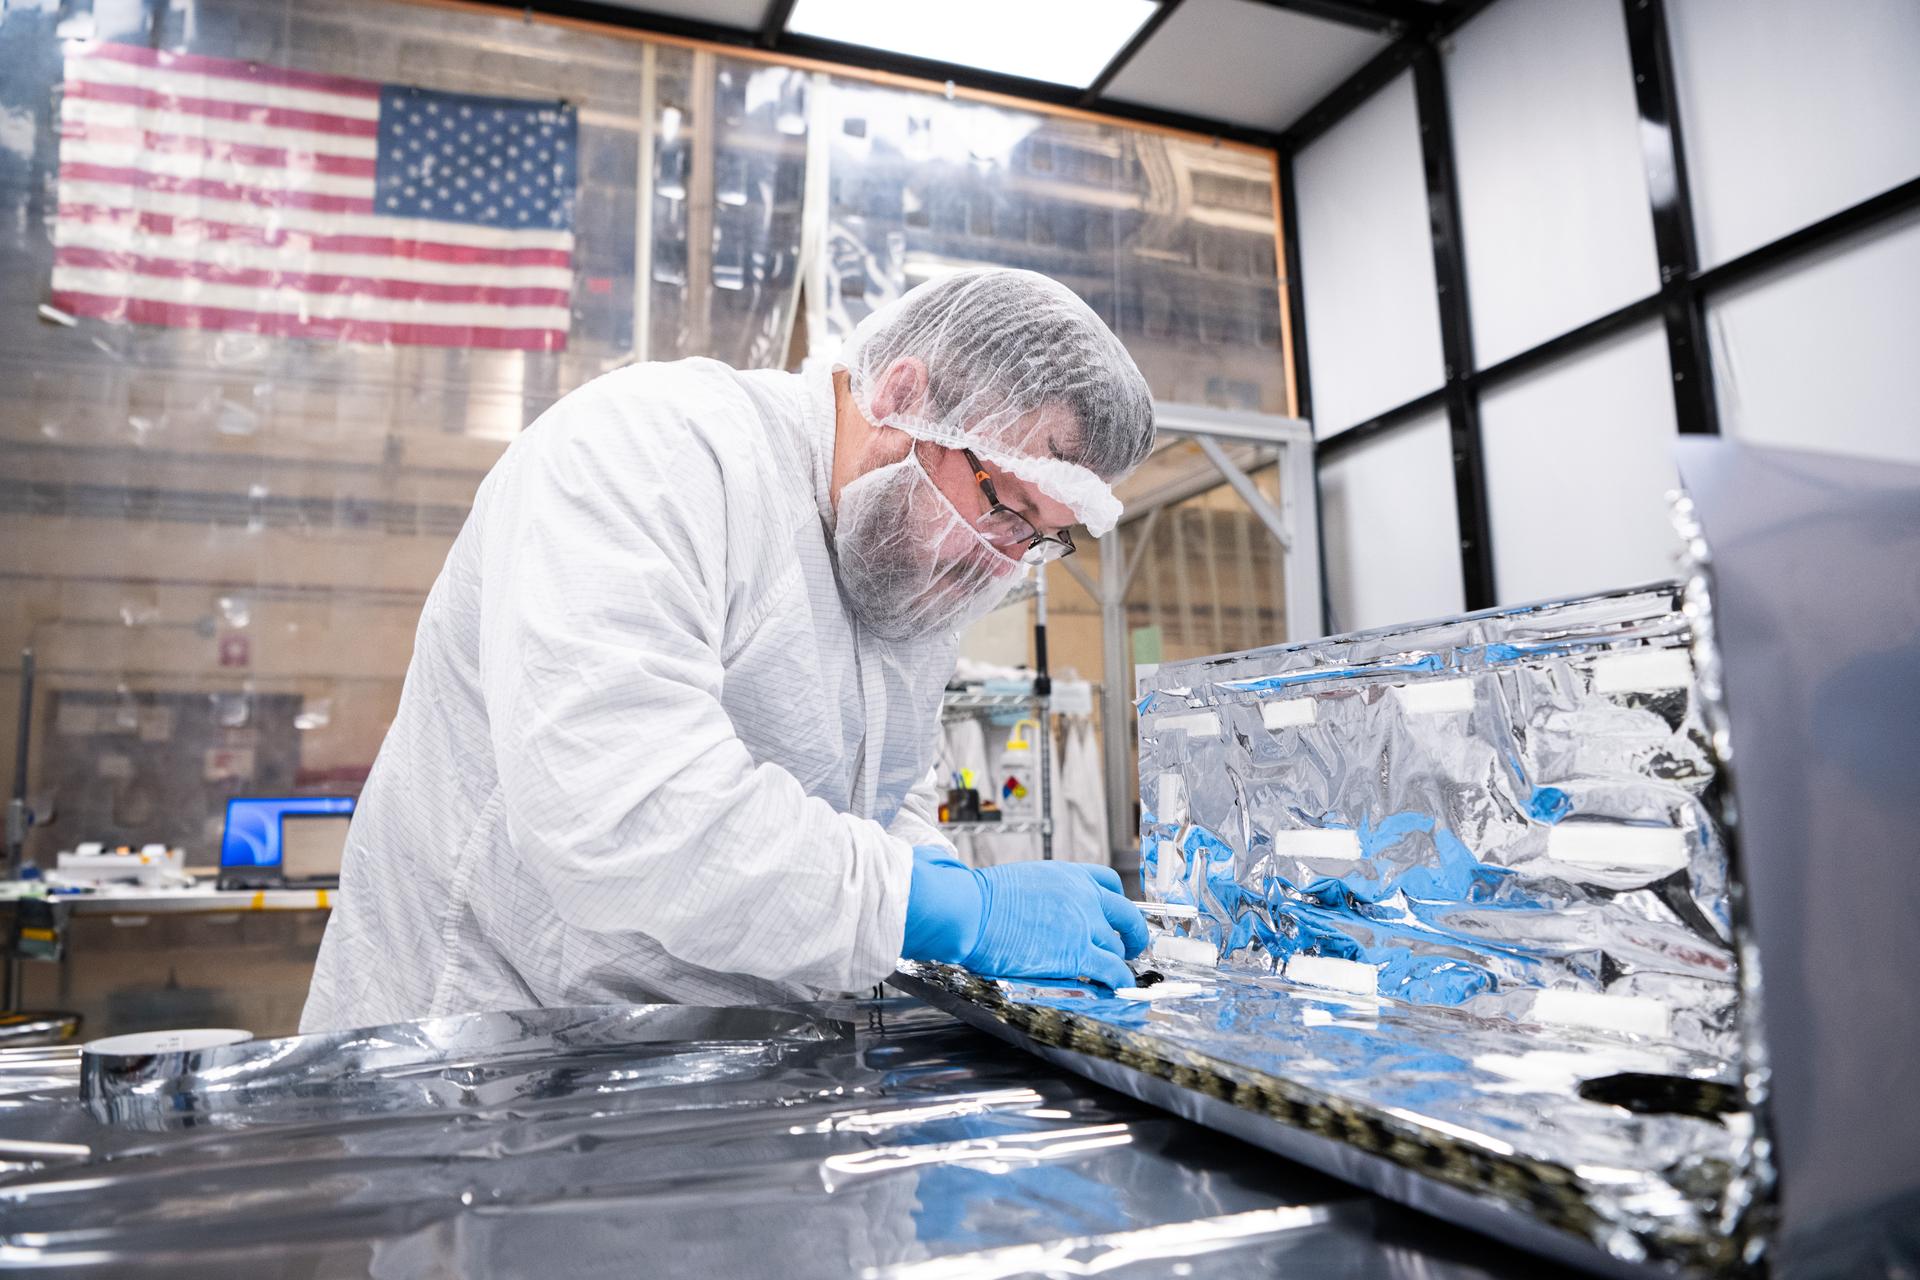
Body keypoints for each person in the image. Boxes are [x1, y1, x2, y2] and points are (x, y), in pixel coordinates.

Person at [301, 268, 1157, 1032]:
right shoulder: (653, 450)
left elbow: (883, 786)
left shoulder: (903, 563)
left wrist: (924, 859)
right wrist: (937, 905)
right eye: (1005, 506)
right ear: (903, 396)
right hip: (487, 1060)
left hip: (707, 1071)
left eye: (1042, 538)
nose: (1002, 560)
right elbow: (621, 810)